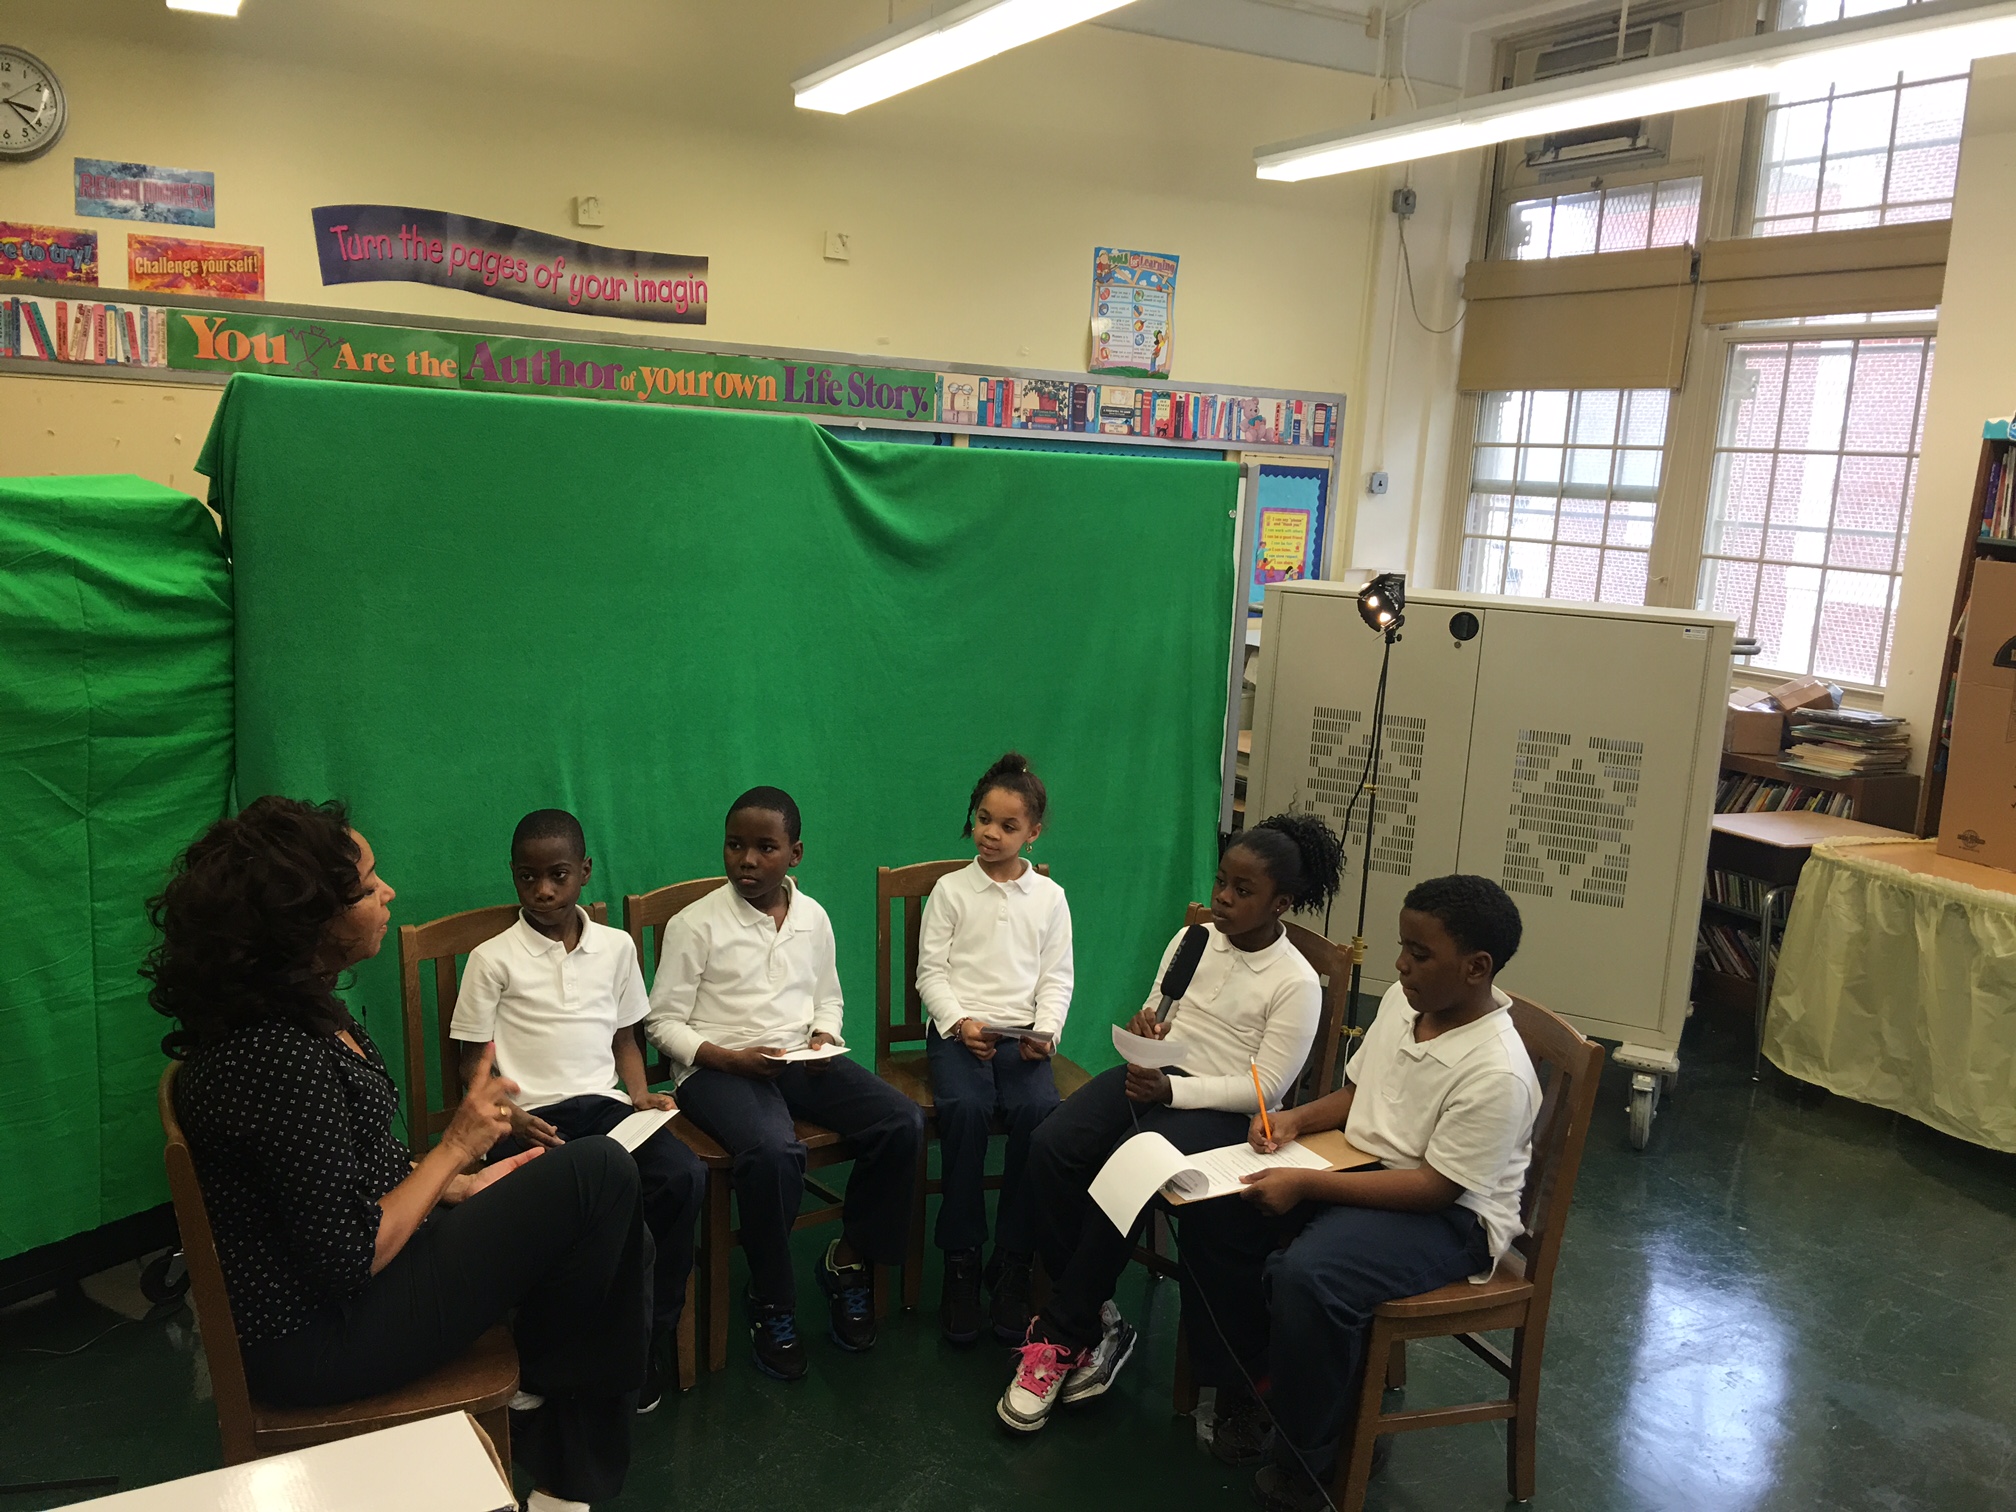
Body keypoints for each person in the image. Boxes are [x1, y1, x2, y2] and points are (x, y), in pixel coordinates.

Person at [149, 798, 650, 1512]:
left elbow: (346, 1173)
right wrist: (455, 1150)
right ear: (308, 920)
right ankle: (568, 1469)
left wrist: (459, 1186)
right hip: (320, 1341)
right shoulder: (273, 1055)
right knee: (601, 1172)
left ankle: (552, 1413)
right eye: (367, 885)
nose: (388, 892)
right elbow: (348, 1257)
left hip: (351, 1291)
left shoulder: (301, 1013)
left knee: (612, 1216)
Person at [1185, 875, 1540, 1512]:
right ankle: (1259, 1389)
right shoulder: (1408, 1002)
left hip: (1450, 1216)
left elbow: (1435, 1188)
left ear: (1476, 968)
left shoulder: (1498, 1070)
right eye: (1402, 947)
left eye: (1419, 954)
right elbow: (1360, 1093)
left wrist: (1306, 1183)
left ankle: (1314, 1461)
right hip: (1364, 1166)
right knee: (1221, 1215)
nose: (1400, 965)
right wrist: (1295, 1120)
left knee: (1309, 1278)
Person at [995, 812, 1344, 1435]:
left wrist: (1172, 1090)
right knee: (1051, 1144)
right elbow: (1161, 1011)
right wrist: (1148, 1031)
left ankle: (1061, 1336)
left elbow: (1266, 1089)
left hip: (1221, 1112)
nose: (1223, 898)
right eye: (1221, 882)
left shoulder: (1296, 982)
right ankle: (1097, 1315)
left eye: (1242, 891)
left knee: (1127, 1168)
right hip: (1159, 1079)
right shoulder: (1194, 939)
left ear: (1281, 904)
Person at [643, 786, 924, 1381]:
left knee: (902, 1122)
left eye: (765, 847)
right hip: (716, 1069)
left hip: (798, 1059)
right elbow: (661, 1024)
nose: (747, 859)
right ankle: (771, 1299)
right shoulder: (695, 924)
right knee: (773, 1151)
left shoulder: (813, 917)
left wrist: (823, 1034)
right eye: (734, 845)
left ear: (795, 854)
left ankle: (847, 1259)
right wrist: (729, 1058)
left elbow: (828, 997)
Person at [450, 807, 705, 1413]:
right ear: (514, 875)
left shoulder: (616, 948)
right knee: (585, 1220)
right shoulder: (491, 958)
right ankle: (546, 1357)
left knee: (682, 1177)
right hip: (533, 1118)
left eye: (558, 875)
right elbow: (472, 1066)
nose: (543, 890)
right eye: (527, 877)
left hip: (606, 1109)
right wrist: (509, 1116)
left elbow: (625, 1039)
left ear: (584, 872)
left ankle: (645, 1340)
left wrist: (638, 1095)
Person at [915, 753, 1073, 1345]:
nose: (991, 833)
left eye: (1008, 826)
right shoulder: (950, 891)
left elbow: (1057, 977)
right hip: (960, 1032)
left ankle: (1012, 1261)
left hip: (1022, 1037)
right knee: (966, 1108)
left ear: (1033, 832)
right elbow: (931, 973)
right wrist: (960, 1023)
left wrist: (1047, 1031)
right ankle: (961, 1259)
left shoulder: (1049, 898)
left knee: (1039, 1112)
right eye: (984, 819)